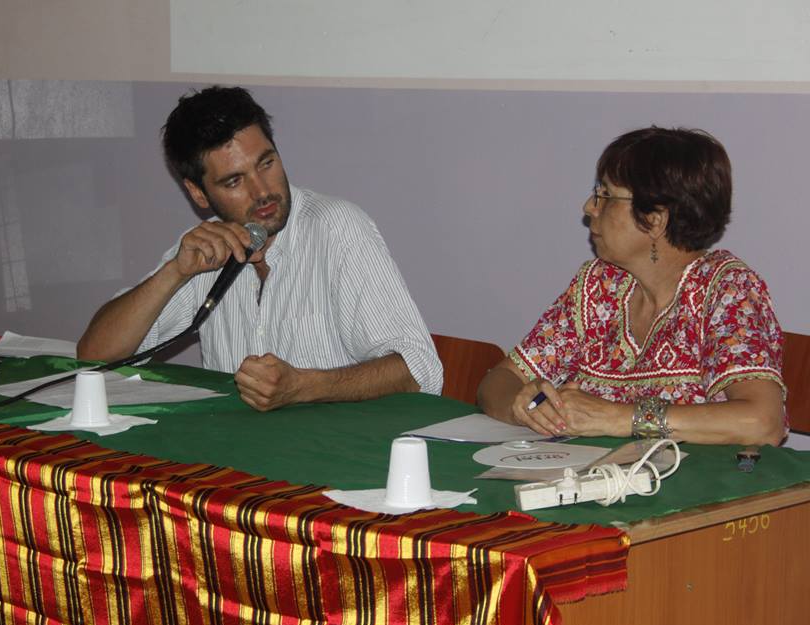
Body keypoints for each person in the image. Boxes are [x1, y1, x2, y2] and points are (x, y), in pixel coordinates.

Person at [77, 86, 442, 411]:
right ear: (198, 193)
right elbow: (95, 356)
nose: (262, 191)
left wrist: (304, 387)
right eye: (234, 181)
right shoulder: (205, 248)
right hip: (236, 454)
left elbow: (420, 370)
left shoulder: (337, 228)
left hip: (338, 452)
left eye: (266, 163)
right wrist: (174, 272)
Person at [477, 127, 786, 445]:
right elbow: (499, 381)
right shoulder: (598, 286)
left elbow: (763, 422)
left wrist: (617, 417)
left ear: (655, 220)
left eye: (606, 195)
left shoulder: (727, 290)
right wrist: (524, 407)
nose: (589, 206)